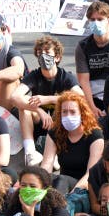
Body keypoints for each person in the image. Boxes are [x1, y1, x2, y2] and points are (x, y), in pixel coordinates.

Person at [12, 36, 83, 167]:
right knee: (24, 109)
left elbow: (81, 97)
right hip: (40, 121)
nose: (43, 56)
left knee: (67, 108)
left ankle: (56, 153)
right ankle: (30, 152)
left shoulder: (65, 77)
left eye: (47, 52)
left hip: (58, 122)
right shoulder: (34, 75)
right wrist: (38, 109)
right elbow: (15, 96)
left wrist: (48, 99)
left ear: (57, 57)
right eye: (40, 53)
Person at [40, 91, 104, 197]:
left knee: (61, 181)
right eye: (64, 112)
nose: (68, 116)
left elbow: (90, 174)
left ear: (82, 113)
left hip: (84, 187)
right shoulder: (54, 133)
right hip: (62, 184)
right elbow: (47, 164)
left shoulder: (95, 135)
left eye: (73, 112)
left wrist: (72, 195)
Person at [75, 1, 109, 117]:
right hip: (92, 95)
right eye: (92, 20)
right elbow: (83, 81)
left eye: (100, 19)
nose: (96, 23)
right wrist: (91, 107)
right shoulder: (83, 46)